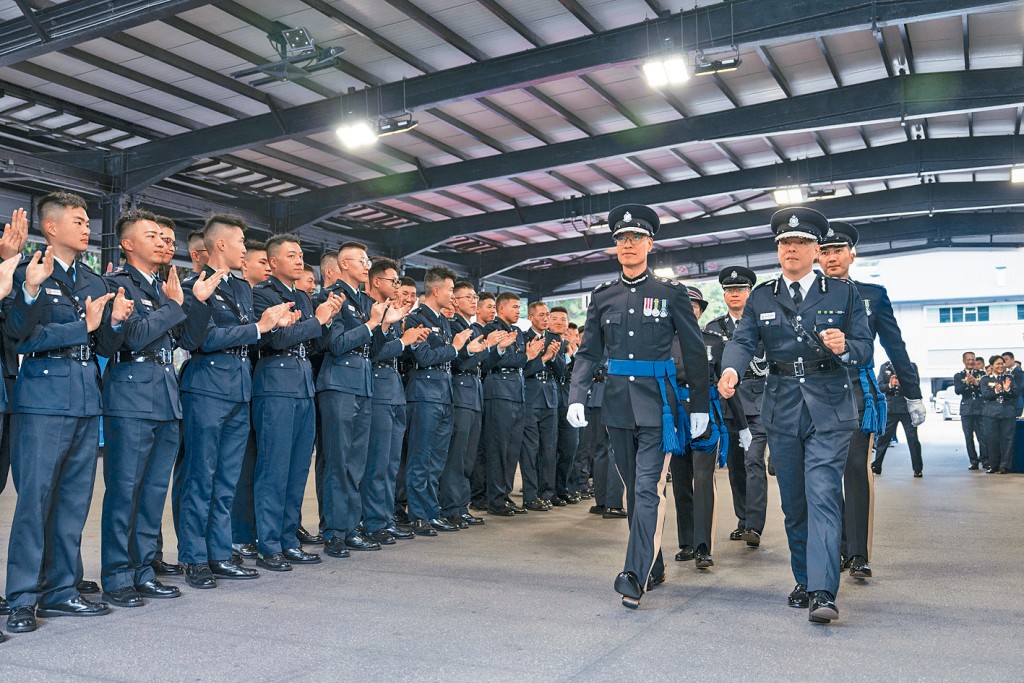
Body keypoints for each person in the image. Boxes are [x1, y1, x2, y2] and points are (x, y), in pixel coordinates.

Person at [719, 207, 873, 624]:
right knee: (794, 502)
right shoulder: (762, 296)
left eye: (801, 242)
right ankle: (804, 579)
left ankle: (823, 591)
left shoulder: (842, 293)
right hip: (782, 407)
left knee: (823, 493)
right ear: (778, 250)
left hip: (830, 407)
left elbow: (865, 349)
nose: (791, 248)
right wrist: (731, 370)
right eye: (785, 243)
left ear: (816, 250)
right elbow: (743, 342)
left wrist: (845, 346)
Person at [567, 203, 709, 610]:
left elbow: (694, 352)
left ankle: (634, 573)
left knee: (648, 488)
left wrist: (700, 405)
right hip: (616, 405)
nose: (628, 244)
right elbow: (588, 352)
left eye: (636, 238)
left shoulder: (671, 293)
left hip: (658, 406)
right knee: (633, 488)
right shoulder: (602, 296)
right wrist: (577, 395)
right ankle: (653, 562)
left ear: (650, 244)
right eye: (621, 239)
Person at [5, 192, 133, 634]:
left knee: (74, 501)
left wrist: (114, 323)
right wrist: (81, 323)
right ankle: (22, 597)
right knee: (34, 500)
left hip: (84, 398)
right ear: (51, 227)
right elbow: (21, 336)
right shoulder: (30, 272)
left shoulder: (93, 281)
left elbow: (103, 345)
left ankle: (61, 589)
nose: (86, 228)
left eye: (87, 222)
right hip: (43, 398)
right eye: (77, 221)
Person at [100, 210, 222, 607]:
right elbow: (133, 336)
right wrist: (174, 304)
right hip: (131, 396)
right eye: (151, 235)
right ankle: (117, 576)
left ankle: (143, 571)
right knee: (125, 492)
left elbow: (189, 338)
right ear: (127, 244)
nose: (162, 242)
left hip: (166, 396)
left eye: (164, 236)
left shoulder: (160, 287)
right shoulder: (117, 284)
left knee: (153, 491)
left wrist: (196, 302)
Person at [176, 216, 295, 589]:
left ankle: (219, 552)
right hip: (207, 388)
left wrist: (271, 325)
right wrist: (259, 327)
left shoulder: (241, 287)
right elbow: (204, 339)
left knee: (227, 479)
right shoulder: (195, 286)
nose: (245, 248)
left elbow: (245, 334)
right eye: (241, 241)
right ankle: (194, 557)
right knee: (200, 476)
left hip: (239, 389)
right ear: (221, 244)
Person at [817, 221, 926, 580]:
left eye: (837, 251)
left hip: (856, 393)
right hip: (814, 395)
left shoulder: (873, 296)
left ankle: (858, 552)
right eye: (824, 252)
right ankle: (837, 546)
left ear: (852, 255)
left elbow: (895, 346)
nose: (831, 258)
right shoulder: (805, 296)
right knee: (824, 475)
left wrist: (912, 393)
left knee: (854, 469)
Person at [250, 234, 345, 571]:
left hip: (303, 386)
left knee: (296, 470)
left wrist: (326, 321)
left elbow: (314, 345)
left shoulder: (302, 297)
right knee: (273, 468)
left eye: (301, 254)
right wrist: (316, 321)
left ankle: (289, 539)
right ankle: (268, 545)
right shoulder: (262, 294)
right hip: (276, 386)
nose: (299, 260)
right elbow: (274, 339)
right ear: (273, 262)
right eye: (291, 255)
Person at [317, 242, 389, 557]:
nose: (366, 265)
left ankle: (350, 527)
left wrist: (383, 325)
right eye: (362, 260)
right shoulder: (333, 297)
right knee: (338, 460)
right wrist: (371, 324)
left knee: (356, 463)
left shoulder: (362, 301)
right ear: (344, 264)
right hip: (339, 384)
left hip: (361, 384)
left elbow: (373, 351)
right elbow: (335, 344)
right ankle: (334, 531)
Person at [670, 286, 748, 571]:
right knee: (681, 483)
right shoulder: (664, 342)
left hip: (707, 419)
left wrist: (742, 425)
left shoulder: (714, 342)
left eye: (694, 306)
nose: (689, 310)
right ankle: (687, 543)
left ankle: (703, 547)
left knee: (703, 480)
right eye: (683, 305)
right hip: (676, 420)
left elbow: (728, 386)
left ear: (700, 311)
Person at [403, 267, 482, 535]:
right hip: (424, 394)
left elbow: (450, 357)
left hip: (444, 394)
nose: (452, 295)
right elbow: (424, 357)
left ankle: (431, 511)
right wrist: (455, 347)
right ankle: (418, 514)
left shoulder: (444, 322)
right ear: (436, 290)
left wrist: (464, 349)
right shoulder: (416, 319)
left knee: (437, 459)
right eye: (450, 290)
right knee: (420, 457)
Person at [360, 259, 426, 544]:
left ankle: (385, 517)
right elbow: (373, 351)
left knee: (390, 464)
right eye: (394, 282)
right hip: (378, 388)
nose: (398, 288)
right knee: (377, 462)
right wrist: (403, 341)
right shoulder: (370, 310)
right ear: (376, 282)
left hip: (394, 389)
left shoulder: (392, 311)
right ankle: (373, 521)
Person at [705, 265, 768, 548]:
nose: (734, 294)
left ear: (749, 293)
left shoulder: (762, 324)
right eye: (730, 290)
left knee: (753, 460)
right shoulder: (713, 329)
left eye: (740, 289)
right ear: (724, 295)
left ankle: (754, 525)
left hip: (757, 402)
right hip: (728, 404)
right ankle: (743, 519)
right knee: (735, 467)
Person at [440, 280, 495, 528]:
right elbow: (457, 363)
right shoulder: (453, 326)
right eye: (468, 297)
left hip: (474, 393)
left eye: (475, 297)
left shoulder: (471, 328)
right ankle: (451, 507)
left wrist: (488, 348)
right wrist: (473, 351)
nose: (474, 301)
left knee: (468, 457)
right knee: (457, 455)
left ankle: (462, 505)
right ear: (455, 300)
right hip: (460, 392)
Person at [482, 292, 543, 517]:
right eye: (515, 307)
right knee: (498, 449)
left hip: (517, 393)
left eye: (519, 307)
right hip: (499, 392)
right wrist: (527, 356)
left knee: (511, 451)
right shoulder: (492, 329)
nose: (518, 311)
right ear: (501, 309)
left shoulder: (516, 331)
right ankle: (495, 499)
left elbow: (521, 364)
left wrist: (533, 356)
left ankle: (505, 494)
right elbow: (499, 360)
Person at [520, 302, 564, 510]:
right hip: (531, 395)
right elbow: (524, 370)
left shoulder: (554, 339)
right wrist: (544, 357)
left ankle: (547, 493)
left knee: (549, 448)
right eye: (541, 315)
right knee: (530, 449)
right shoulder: (523, 338)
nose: (546, 319)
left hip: (550, 397)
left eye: (547, 315)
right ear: (531, 317)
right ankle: (530, 495)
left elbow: (562, 372)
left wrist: (553, 357)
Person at [549, 308, 582, 504]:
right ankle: (549, 490)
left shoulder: (571, 346)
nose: (559, 322)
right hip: (551, 398)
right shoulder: (547, 342)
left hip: (568, 399)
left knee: (570, 446)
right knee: (550, 448)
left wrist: (573, 352)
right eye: (554, 318)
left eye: (563, 319)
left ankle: (563, 488)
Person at [871, 360, 924, 477]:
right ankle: (876, 465)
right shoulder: (885, 367)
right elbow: (879, 387)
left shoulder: (910, 366)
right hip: (891, 408)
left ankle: (917, 468)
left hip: (906, 408)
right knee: (883, 438)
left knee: (913, 439)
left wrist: (902, 384)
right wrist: (890, 385)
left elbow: (915, 385)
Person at [980, 355, 1019, 474]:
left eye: (1002, 363)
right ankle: (993, 465)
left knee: (1008, 440)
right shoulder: (985, 379)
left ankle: (1004, 466)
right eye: (998, 364)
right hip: (991, 414)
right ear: (991, 366)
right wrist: (996, 391)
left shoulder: (1009, 377)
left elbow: (1016, 393)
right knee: (992, 440)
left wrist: (1007, 390)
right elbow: (985, 395)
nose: (1001, 366)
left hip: (1008, 413)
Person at [954, 351, 986, 470]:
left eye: (973, 359)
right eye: (968, 359)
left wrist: (976, 384)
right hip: (966, 409)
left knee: (982, 436)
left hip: (980, 407)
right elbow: (957, 391)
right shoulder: (958, 375)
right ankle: (973, 461)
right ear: (964, 361)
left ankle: (985, 460)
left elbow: (985, 390)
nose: (971, 361)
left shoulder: (982, 374)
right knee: (968, 436)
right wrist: (966, 383)